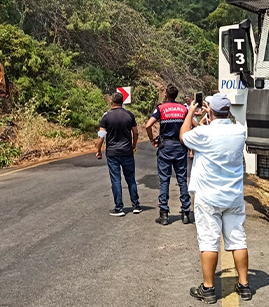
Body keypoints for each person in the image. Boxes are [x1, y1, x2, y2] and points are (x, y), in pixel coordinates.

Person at [180, 93, 251, 303]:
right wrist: (206, 122)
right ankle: (244, 285)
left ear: (210, 110)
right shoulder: (240, 131)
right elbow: (216, 134)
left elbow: (184, 136)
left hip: (209, 197)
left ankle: (208, 289)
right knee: (238, 239)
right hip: (234, 196)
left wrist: (191, 111)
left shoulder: (204, 133)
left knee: (209, 242)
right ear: (227, 111)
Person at [145, 85, 193, 226]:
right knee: (182, 180)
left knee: (164, 180)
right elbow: (194, 124)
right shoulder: (183, 109)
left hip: (165, 147)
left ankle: (164, 215)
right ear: (176, 96)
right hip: (180, 146)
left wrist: (152, 139)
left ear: (166, 95)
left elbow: (148, 125)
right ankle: (185, 213)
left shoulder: (161, 109)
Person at [96, 91, 141, 217]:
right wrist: (133, 145)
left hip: (112, 153)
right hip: (127, 151)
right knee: (130, 179)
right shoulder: (129, 115)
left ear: (111, 102)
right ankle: (136, 205)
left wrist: (98, 150)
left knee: (116, 180)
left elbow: (101, 136)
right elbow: (136, 133)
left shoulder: (106, 117)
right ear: (122, 102)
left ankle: (119, 208)